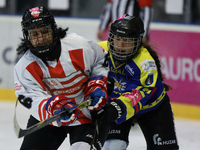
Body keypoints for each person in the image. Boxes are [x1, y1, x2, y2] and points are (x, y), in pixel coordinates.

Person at [14, 5, 110, 150]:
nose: (40, 39)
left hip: (86, 113)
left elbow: (102, 60)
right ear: (27, 36)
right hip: (52, 116)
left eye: (44, 32)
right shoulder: (25, 67)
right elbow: (31, 98)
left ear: (53, 30)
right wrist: (53, 107)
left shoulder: (78, 45)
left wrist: (97, 83)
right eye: (34, 34)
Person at [98, 14, 179, 150]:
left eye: (127, 41)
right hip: (117, 105)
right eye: (117, 39)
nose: (120, 45)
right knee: (112, 147)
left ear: (138, 41)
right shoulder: (99, 50)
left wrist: (116, 107)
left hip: (152, 109)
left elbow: (137, 94)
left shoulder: (145, 63)